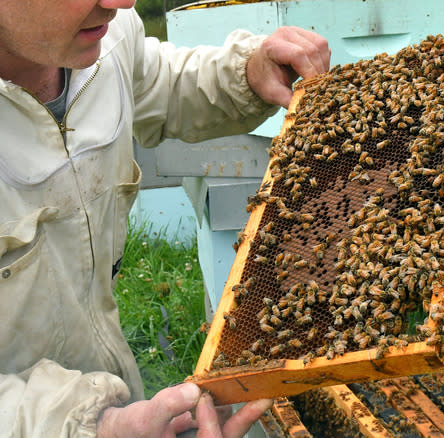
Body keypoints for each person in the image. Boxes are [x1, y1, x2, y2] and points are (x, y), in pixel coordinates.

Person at [0, 0, 330, 436]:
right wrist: (96, 428)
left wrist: (248, 74)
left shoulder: (108, 36)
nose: (120, 2)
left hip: (112, 395)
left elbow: (160, 81)